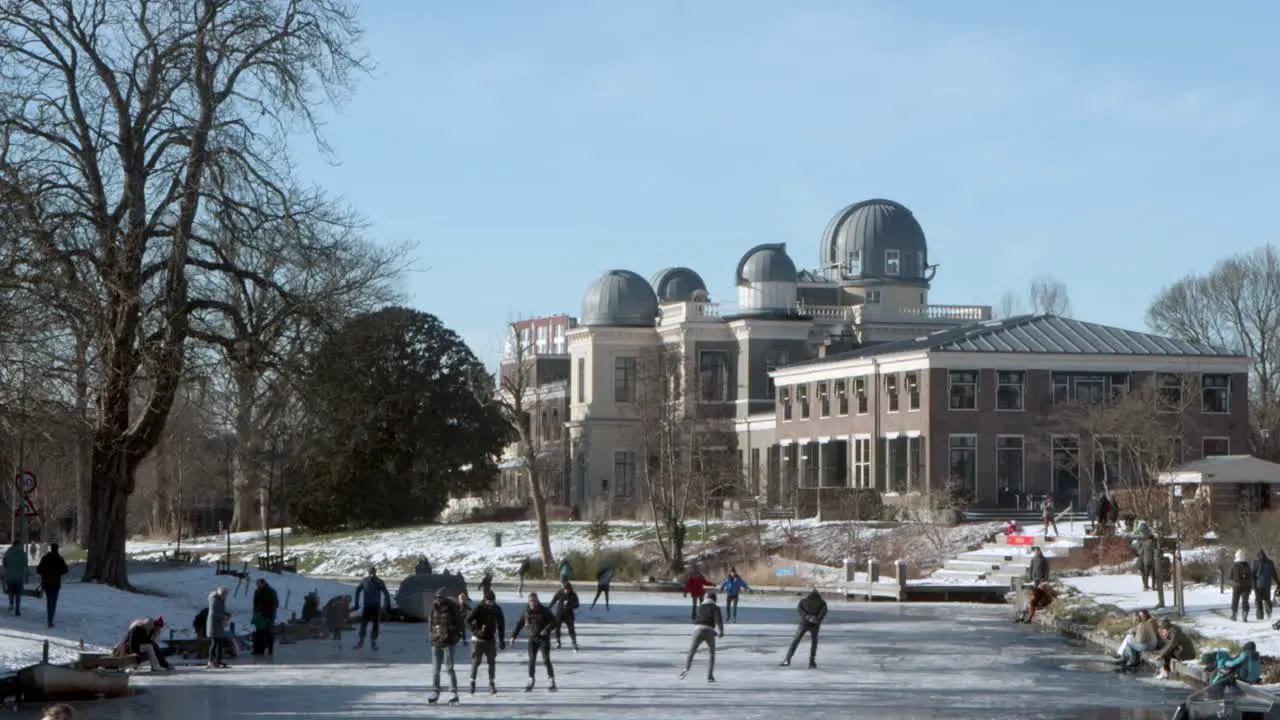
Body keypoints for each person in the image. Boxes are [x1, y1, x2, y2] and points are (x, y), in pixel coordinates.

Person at [511, 592, 558, 692]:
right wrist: (513, 636)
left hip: (543, 638)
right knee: (532, 659)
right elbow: (520, 623)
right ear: (529, 601)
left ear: (537, 600)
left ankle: (551, 680)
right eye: (531, 601)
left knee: (546, 660)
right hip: (532, 638)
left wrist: (547, 629)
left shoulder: (544, 610)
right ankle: (531, 680)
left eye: (534, 601)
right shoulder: (526, 611)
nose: (533, 603)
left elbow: (554, 622)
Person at [428, 588, 464, 705]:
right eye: (436, 598)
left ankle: (454, 693)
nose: (437, 600)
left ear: (444, 598)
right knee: (435, 670)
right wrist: (433, 635)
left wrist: (450, 633)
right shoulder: (433, 608)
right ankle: (435, 691)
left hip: (448, 642)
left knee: (449, 668)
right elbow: (430, 624)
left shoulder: (452, 609)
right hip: (436, 642)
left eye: (439, 598)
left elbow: (459, 625)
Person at [467, 589, 506, 695]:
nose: (491, 603)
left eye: (492, 601)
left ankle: (491, 683)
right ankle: (472, 682)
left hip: (490, 639)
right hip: (478, 640)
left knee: (491, 662)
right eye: (489, 601)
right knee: (476, 662)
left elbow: (501, 625)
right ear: (485, 599)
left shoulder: (497, 609)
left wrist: (502, 640)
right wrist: (475, 631)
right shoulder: (479, 607)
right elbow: (468, 620)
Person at [679, 590, 724, 683]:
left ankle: (686, 668)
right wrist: (720, 631)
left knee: (692, 650)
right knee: (711, 654)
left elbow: (700, 619)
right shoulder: (715, 608)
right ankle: (710, 676)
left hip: (698, 629)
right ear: (714, 599)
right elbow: (718, 621)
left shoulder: (701, 607)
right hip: (709, 631)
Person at [781, 589, 827, 668]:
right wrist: (816, 619)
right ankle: (812, 662)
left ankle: (787, 660)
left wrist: (806, 616)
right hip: (815, 625)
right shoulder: (822, 603)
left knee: (795, 641)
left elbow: (799, 609)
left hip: (804, 623)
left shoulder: (803, 601)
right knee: (814, 644)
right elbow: (824, 611)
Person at [352, 566, 391, 649]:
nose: (372, 574)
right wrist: (356, 604)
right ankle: (362, 641)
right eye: (371, 572)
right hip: (369, 606)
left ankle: (371, 642)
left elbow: (386, 594)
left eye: (372, 572)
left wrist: (387, 606)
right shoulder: (366, 581)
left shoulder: (377, 581)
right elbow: (357, 591)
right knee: (365, 624)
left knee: (374, 625)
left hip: (374, 606)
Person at [36, 543, 68, 628]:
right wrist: (58, 572)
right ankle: (50, 619)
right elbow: (65, 570)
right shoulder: (59, 559)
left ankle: (49, 619)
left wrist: (45, 573)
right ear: (57, 549)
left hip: (46, 582)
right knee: (53, 601)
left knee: (49, 601)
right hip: (56, 583)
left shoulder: (45, 558)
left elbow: (38, 569)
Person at [251, 578, 279, 657]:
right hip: (259, 615)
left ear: (263, 583)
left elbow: (275, 604)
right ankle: (257, 650)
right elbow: (255, 603)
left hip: (268, 615)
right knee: (258, 633)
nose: (258, 586)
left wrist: (271, 615)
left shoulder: (270, 591)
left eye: (259, 584)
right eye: (257, 584)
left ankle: (270, 649)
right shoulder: (257, 591)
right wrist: (255, 613)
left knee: (268, 633)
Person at [550, 580, 580, 651]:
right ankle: (558, 641)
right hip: (559, 613)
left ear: (570, 589)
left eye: (568, 590)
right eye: (565, 589)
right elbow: (554, 600)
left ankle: (574, 643)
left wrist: (570, 606)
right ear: (563, 589)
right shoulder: (560, 592)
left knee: (571, 629)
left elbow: (577, 604)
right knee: (557, 628)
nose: (566, 591)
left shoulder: (573, 594)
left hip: (569, 614)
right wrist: (549, 607)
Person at [207, 586, 232, 668]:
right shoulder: (215, 600)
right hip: (214, 624)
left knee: (220, 643)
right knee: (214, 643)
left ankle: (218, 660)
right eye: (225, 595)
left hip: (219, 624)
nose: (225, 597)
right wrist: (223, 617)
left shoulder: (220, 600)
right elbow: (214, 613)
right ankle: (211, 660)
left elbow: (220, 610)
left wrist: (226, 614)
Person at [1254, 550, 1279, 620]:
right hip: (1267, 584)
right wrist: (1278, 582)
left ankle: (1260, 616)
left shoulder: (1256, 562)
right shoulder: (1270, 562)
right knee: (1267, 599)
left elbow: (1253, 574)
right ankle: (1269, 612)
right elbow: (1274, 573)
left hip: (1258, 585)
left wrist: (1253, 584)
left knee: (1259, 600)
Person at [1229, 549, 1253, 622]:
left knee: (1235, 600)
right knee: (1245, 601)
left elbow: (1230, 576)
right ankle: (1245, 617)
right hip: (1246, 586)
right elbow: (1251, 576)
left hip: (1237, 586)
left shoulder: (1234, 565)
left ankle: (1234, 616)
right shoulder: (1247, 565)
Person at [4, 541, 27, 616]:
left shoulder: (8, 552)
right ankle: (17, 610)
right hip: (19, 576)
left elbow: (4, 563)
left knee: (10, 592)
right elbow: (25, 564)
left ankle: (11, 604)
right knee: (18, 594)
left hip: (10, 576)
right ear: (18, 545)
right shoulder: (22, 553)